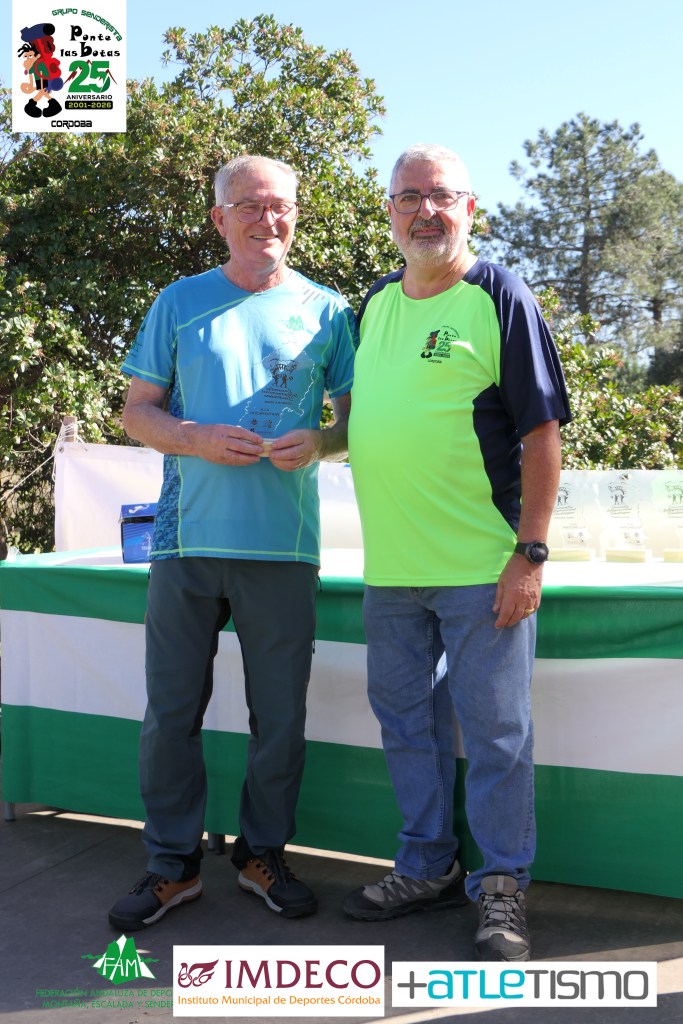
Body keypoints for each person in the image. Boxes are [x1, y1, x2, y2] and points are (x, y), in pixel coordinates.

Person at [109, 154, 356, 931]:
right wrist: (194, 437)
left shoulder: (330, 311)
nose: (265, 219)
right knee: (170, 714)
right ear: (219, 219)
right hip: (184, 542)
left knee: (278, 718)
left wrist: (321, 443)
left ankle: (261, 852)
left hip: (284, 549)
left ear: (295, 216)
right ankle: (172, 865)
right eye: (247, 205)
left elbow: (354, 425)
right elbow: (136, 412)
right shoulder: (178, 301)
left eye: (279, 205)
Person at [344, 144, 571, 961]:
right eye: (408, 197)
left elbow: (541, 433)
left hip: (481, 569)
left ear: (470, 208)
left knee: (497, 734)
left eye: (441, 196)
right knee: (405, 726)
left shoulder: (497, 294)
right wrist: (315, 441)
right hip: (390, 571)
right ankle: (426, 867)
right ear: (389, 211)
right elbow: (365, 418)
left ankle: (500, 885)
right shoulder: (373, 304)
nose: (425, 212)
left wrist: (529, 554)